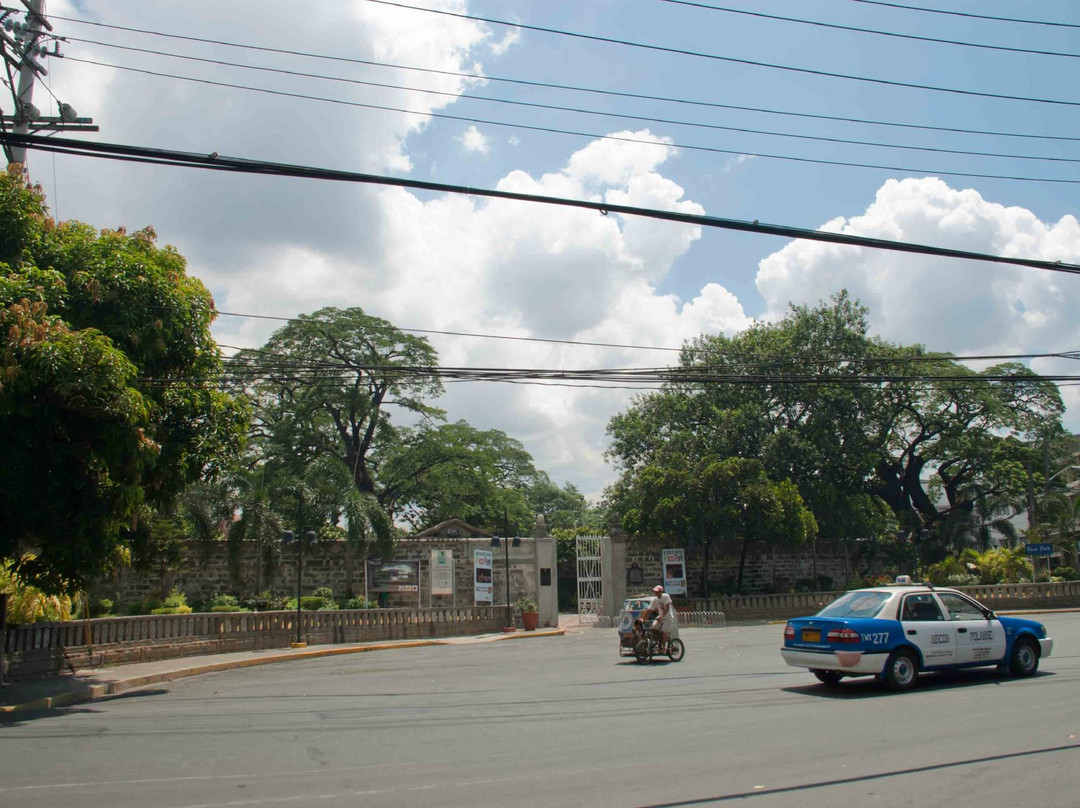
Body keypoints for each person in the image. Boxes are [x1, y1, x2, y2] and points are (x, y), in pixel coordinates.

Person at [645, 585, 676, 649]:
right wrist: (642, 619)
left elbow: (667, 609)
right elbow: (649, 610)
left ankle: (664, 648)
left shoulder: (666, 596)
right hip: (660, 617)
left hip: (668, 618)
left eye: (657, 591)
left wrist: (661, 616)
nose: (655, 593)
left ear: (660, 592)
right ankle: (659, 641)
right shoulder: (655, 600)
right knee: (652, 629)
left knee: (664, 632)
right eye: (655, 591)